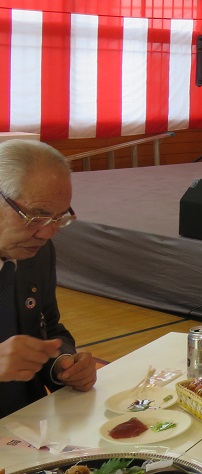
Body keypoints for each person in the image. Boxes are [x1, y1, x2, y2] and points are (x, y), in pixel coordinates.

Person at [0, 139, 96, 418]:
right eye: (35, 217)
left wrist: (63, 364)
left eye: (58, 218)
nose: (47, 233)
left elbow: (47, 328)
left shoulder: (36, 253)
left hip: (28, 425)